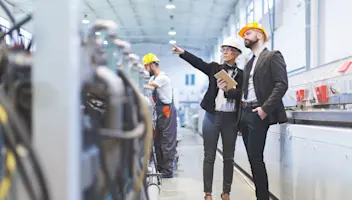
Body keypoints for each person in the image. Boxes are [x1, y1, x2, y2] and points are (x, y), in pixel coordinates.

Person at [172, 36, 243, 200]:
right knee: (209, 156)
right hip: (212, 116)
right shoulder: (215, 68)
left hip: (230, 119)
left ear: (236, 53)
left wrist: (228, 89)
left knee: (229, 158)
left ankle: (226, 192)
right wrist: (183, 53)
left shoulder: (242, 75)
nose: (225, 52)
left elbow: (241, 96)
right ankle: (208, 193)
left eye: (229, 50)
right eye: (224, 49)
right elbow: (198, 63)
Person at [237, 22, 288, 200]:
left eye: (248, 33)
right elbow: (246, 90)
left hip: (258, 113)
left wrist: (265, 109)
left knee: (256, 159)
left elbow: (282, 84)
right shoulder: (249, 62)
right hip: (244, 114)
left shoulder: (272, 56)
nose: (245, 37)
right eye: (244, 35)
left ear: (259, 35)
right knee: (252, 159)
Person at [142, 53, 177, 178]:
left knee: (167, 142)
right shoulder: (153, 79)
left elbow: (148, 87)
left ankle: (167, 171)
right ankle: (161, 169)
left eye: (146, 67)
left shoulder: (162, 78)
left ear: (152, 65)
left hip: (167, 112)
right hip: (160, 112)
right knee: (158, 141)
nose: (146, 70)